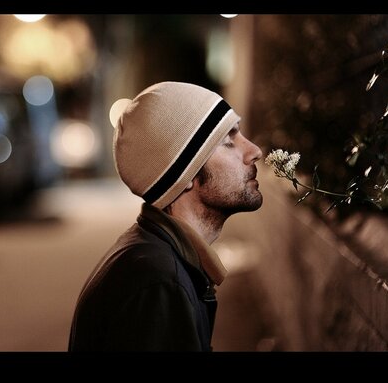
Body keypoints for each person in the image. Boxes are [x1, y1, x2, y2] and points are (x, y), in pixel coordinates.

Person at [68, 81, 263, 351]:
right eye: (228, 142)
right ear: (184, 177)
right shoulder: (159, 284)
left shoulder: (158, 260)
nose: (254, 151)